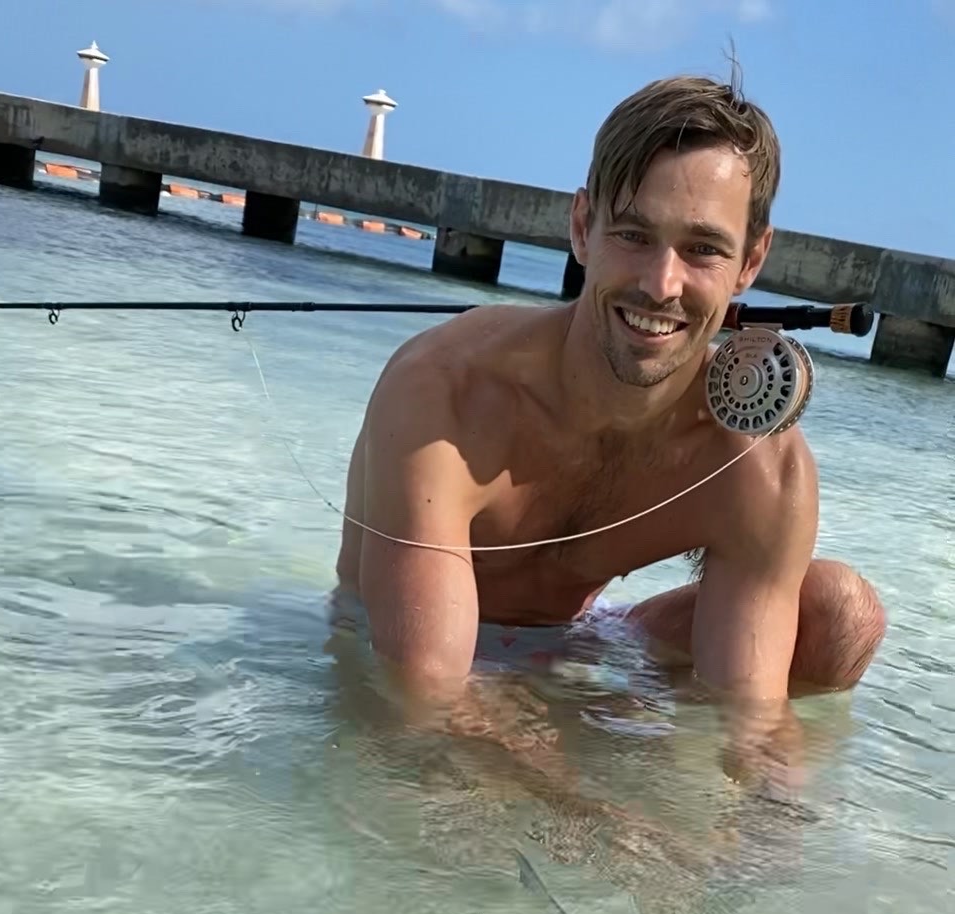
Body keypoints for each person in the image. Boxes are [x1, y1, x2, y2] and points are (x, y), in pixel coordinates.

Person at [331, 69, 886, 804]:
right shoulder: (446, 390)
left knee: (840, 615)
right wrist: (606, 820)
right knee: (445, 804)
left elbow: (749, 724)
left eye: (702, 250)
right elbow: (423, 694)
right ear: (579, 227)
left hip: (579, 646)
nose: (660, 284)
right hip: (398, 649)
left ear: (751, 262)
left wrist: (756, 850)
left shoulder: (756, 465)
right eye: (632, 234)